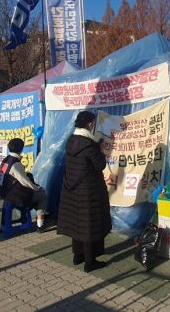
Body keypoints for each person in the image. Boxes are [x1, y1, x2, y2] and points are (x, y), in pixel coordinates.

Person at [58, 111, 111, 272]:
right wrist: (100, 149)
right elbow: (100, 165)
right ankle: (90, 261)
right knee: (89, 224)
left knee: (77, 223)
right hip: (89, 191)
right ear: (89, 124)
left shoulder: (71, 141)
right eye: (92, 122)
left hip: (72, 189)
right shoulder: (89, 144)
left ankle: (78, 255)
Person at [0, 138, 49, 232]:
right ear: (21, 149)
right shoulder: (15, 164)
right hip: (16, 197)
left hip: (5, 194)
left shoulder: (5, 160)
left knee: (34, 190)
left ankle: (32, 217)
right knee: (42, 196)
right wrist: (37, 188)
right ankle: (40, 224)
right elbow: (25, 182)